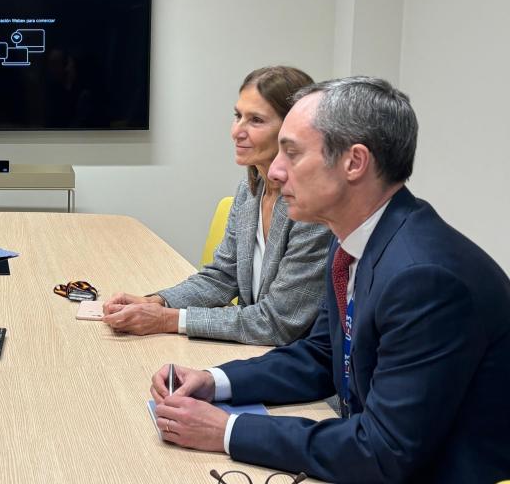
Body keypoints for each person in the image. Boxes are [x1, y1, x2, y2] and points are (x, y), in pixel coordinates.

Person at [150, 77, 510, 483]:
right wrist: (216, 382)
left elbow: (382, 452)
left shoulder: (425, 279)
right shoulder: (354, 241)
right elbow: (323, 356)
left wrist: (228, 430)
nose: (277, 171)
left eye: (292, 153)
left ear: (354, 162)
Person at [103, 66, 331, 345]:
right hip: (253, 352)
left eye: (256, 120)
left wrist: (168, 320)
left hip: (294, 366)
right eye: (238, 116)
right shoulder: (249, 191)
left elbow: (277, 323)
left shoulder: (313, 210)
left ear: (292, 130)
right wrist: (157, 301)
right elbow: (222, 277)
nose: (237, 131)